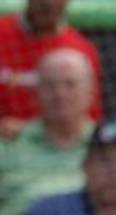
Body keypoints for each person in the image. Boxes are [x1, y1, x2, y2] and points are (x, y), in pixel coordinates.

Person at [0, 49, 116, 215]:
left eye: (70, 84)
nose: (60, 94)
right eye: (50, 85)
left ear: (91, 91)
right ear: (36, 92)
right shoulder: (9, 144)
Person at [0, 0, 102, 138]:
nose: (47, 4)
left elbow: (88, 118)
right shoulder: (3, 32)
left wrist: (28, 130)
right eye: (41, 3)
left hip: (52, 144)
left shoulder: (80, 49)